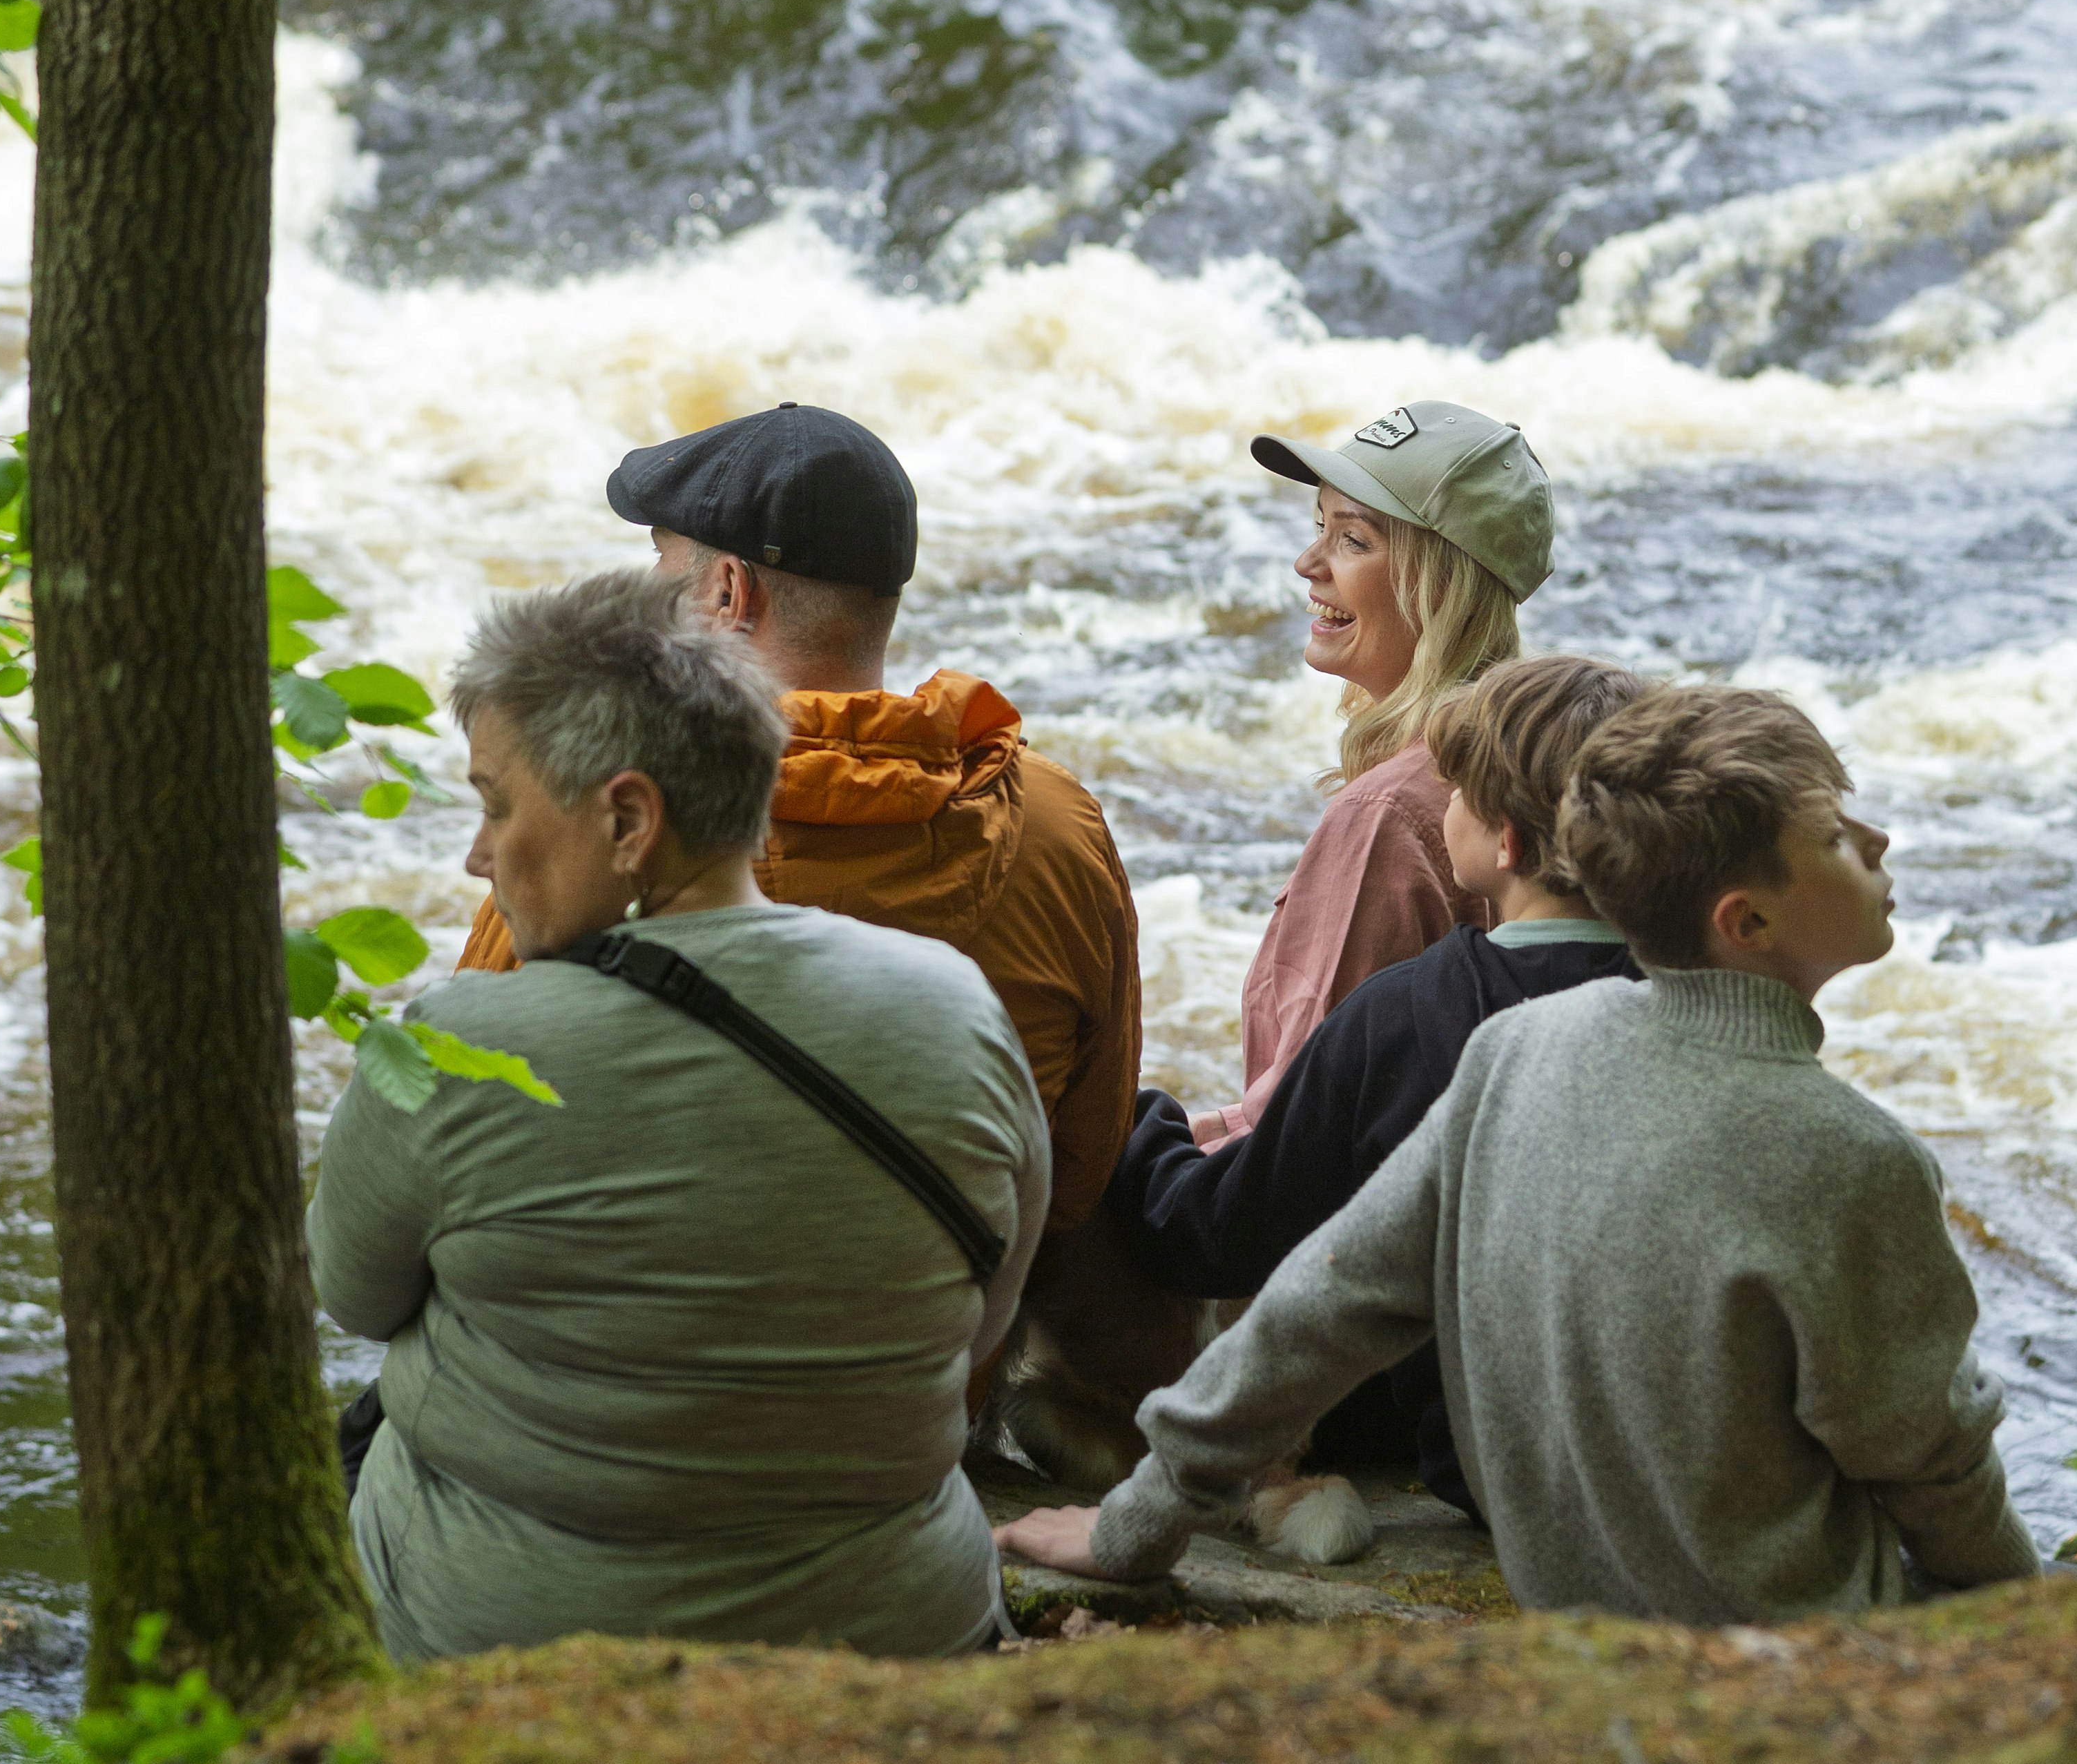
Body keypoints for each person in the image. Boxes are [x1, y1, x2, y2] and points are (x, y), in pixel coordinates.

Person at [995, 684, 2042, 1624]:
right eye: (1834, 830)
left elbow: (1321, 1311)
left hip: (1563, 1604)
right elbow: (1932, 1461)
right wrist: (2029, 1618)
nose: (1880, 835)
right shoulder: (1858, 1154)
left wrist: (1134, 1525)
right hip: (1809, 1635)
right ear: (1748, 917)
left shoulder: (1513, 1052)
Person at [311, 570, 1051, 1660]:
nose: (479, 855)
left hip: (518, 1653)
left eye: (496, 803)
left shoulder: (457, 1049)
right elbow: (985, 1318)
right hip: (892, 1640)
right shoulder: (954, 1005)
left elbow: (356, 1294)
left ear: (626, 819)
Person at [451, 403, 1141, 1408]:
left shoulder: (610, 828)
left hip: (625, 1412)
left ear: (728, 591)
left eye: (662, 563)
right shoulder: (1056, 822)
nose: (651, 591)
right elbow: (1080, 1166)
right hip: (918, 1405)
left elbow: (461, 1124)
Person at [1105, 655, 1647, 1532]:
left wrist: (1141, 1122)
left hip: (1485, 1468)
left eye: (1457, 791)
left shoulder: (1403, 1013)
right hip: (1664, 1452)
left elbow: (1220, 1234)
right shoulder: (1700, 990)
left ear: (1503, 840)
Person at [1197, 400, 1550, 1147]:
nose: (1309, 563)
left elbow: (1300, 1128)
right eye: (1318, 526)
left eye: (1353, 539)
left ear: (1442, 583)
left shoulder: (1387, 813)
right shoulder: (1541, 752)